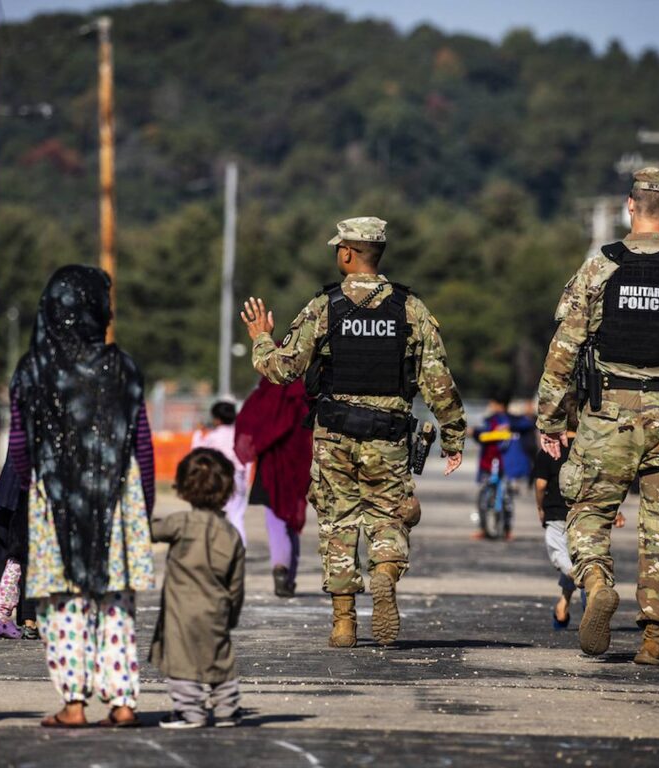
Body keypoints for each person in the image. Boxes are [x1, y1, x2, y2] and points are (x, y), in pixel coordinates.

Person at [537, 168, 659, 664]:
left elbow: (563, 351)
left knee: (586, 512)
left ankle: (598, 580)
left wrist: (551, 420)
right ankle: (654, 639)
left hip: (606, 418)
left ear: (630, 205)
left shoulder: (597, 270)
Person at [241, 216, 466, 647]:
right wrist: (453, 438)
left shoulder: (324, 307)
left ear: (346, 253)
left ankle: (344, 622)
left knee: (337, 524)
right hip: (389, 436)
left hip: (335, 435)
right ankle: (384, 573)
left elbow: (282, 370)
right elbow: (438, 382)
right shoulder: (411, 309)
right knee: (389, 518)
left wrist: (261, 338)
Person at [10, 265, 155, 727]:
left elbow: (19, 447)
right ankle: (123, 702)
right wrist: (142, 506)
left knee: (61, 604)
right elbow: (142, 444)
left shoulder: (33, 370)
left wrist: (32, 490)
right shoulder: (123, 367)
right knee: (116, 603)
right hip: (118, 498)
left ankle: (74, 703)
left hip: (54, 498)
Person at [150, 448, 246, 728]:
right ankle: (227, 710)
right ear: (228, 490)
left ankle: (190, 711)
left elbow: (150, 531)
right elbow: (236, 583)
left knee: (181, 664)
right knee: (220, 659)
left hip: (180, 613)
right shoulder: (231, 534)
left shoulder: (179, 523)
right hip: (216, 609)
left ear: (182, 489)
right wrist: (232, 615)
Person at [534, 410, 625, 630]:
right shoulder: (594, 452)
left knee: (565, 562)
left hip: (557, 516)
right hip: (587, 516)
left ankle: (592, 591)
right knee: (585, 560)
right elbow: (608, 485)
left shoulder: (550, 450)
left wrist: (540, 507)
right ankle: (566, 603)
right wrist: (615, 511)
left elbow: (540, 484)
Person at [234, 377, 312, 599]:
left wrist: (257, 445)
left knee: (275, 518)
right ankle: (289, 577)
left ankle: (280, 567)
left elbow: (249, 423)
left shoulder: (265, 395)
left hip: (271, 466)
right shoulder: (304, 396)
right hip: (299, 465)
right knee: (292, 520)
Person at [0, 457, 38, 640]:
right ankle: (28, 619)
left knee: (17, 551)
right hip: (38, 483)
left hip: (18, 483)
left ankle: (3, 613)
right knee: (31, 550)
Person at [191, 400, 249, 545]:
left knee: (217, 514)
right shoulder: (241, 435)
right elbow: (248, 459)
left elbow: (197, 451)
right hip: (238, 476)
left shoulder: (213, 436)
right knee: (237, 515)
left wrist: (198, 432)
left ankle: (218, 547)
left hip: (220, 477)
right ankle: (241, 546)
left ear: (216, 419)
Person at [470, 395, 514, 540]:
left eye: (493, 403)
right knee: (483, 497)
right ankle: (483, 528)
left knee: (506, 498)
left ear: (500, 405)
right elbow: (480, 433)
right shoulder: (490, 420)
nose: (491, 406)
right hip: (488, 464)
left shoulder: (509, 420)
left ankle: (507, 529)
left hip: (504, 464)